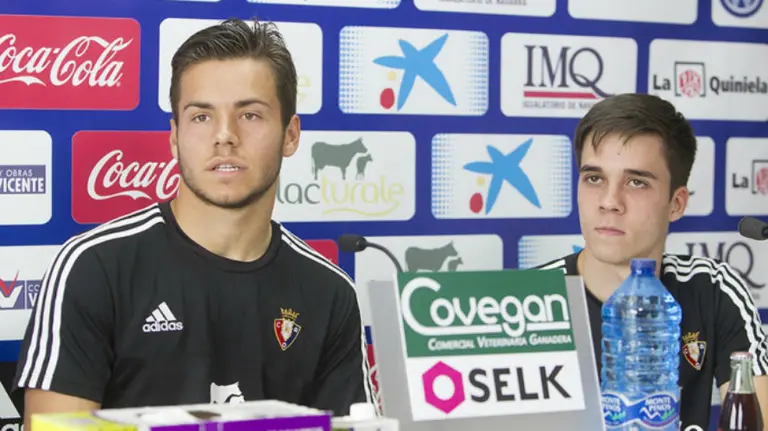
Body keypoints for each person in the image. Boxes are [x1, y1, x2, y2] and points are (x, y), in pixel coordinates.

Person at [12, 18, 375, 424]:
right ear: (174, 136)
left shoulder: (330, 293)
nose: (225, 135)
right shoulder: (92, 267)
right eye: (201, 117)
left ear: (291, 135)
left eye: (250, 115)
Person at [536, 93, 768, 431]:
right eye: (594, 178)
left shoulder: (713, 289)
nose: (609, 202)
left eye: (636, 182)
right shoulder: (531, 298)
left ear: (676, 204)